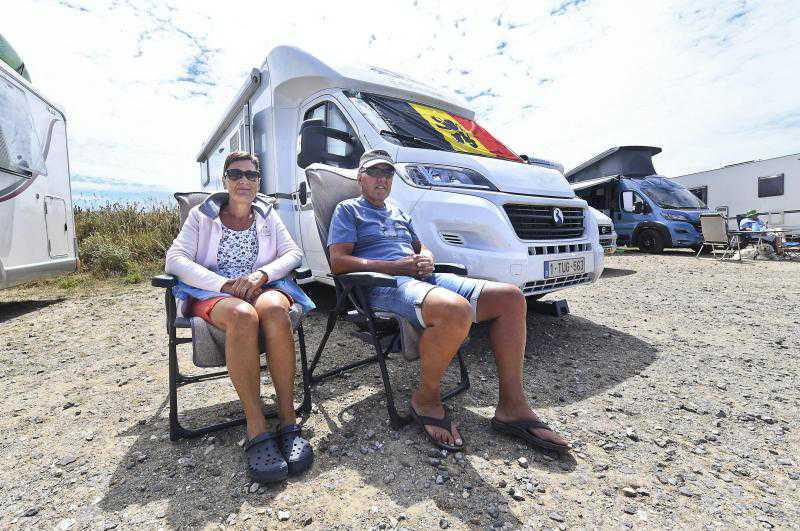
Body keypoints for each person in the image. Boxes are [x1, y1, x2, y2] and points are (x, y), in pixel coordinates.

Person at [327, 150, 570, 453]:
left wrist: (426, 257)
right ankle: (426, 399)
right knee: (456, 310)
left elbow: (421, 246)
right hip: (385, 284)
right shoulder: (348, 210)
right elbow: (338, 262)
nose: (382, 179)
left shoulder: (397, 210)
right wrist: (396, 267)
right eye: (375, 173)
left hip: (421, 278)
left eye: (388, 174)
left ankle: (512, 405)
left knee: (510, 297)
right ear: (360, 177)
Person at [165, 151, 315, 483]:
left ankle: (288, 420)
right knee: (244, 315)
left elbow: (293, 253)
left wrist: (261, 275)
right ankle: (256, 425)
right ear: (224, 180)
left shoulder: (267, 214)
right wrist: (223, 284)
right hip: (214, 292)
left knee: (276, 310)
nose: (244, 181)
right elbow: (174, 260)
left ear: (258, 181)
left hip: (261, 286)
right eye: (235, 174)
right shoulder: (201, 216)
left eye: (251, 175)